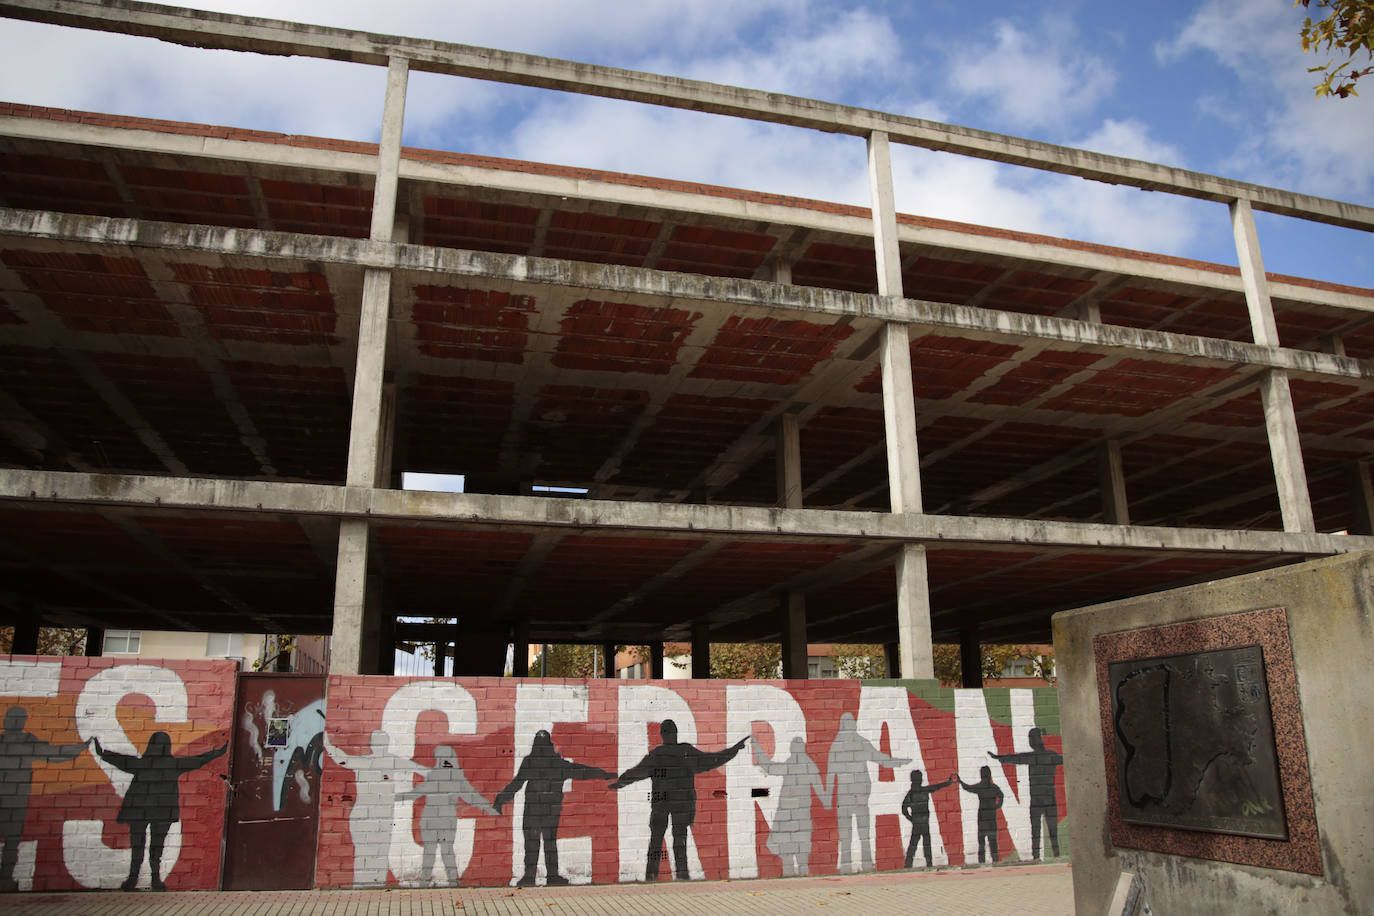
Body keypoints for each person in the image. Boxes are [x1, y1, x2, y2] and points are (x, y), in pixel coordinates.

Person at [610, 720, 748, 880]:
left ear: (662, 735)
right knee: (680, 839)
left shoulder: (657, 755)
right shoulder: (686, 752)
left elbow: (636, 772)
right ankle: (682, 873)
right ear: (675, 734)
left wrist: (619, 783)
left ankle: (651, 874)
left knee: (656, 839)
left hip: (661, 802)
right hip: (682, 803)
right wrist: (733, 750)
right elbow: (712, 760)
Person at [92, 732, 227, 891]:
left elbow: (121, 760)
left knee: (138, 846)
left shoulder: (141, 764)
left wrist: (102, 752)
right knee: (157, 846)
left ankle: (133, 879)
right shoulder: (173, 765)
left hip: (139, 811)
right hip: (163, 812)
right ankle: (155, 879)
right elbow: (197, 760)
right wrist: (218, 752)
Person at [493, 729, 613, 887]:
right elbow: (582, 771)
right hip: (550, 811)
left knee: (531, 844)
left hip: (532, 811)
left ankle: (529, 877)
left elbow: (516, 784)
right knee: (550, 844)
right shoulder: (558, 764)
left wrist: (500, 799)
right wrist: (604, 774)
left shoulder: (530, 762)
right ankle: (552, 876)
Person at [0, 707, 89, 892]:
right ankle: (5, 879)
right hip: (16, 801)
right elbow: (54, 753)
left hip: (15, 801)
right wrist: (79, 748)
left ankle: (6, 878)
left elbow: (54, 753)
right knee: (12, 842)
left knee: (12, 842)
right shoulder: (26, 742)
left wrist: (79, 748)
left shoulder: (24, 742)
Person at [322, 729, 427, 886]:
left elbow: (342, 759)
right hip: (380, 816)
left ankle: (362, 885)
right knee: (380, 854)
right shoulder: (391, 761)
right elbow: (422, 770)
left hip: (364, 816)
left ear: (372, 744)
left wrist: (327, 744)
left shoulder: (365, 762)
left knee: (364, 854)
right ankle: (375, 884)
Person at [398, 745, 497, 886]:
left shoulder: (434, 776)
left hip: (431, 819)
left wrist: (393, 797)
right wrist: (487, 807)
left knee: (430, 851)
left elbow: (415, 793)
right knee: (447, 851)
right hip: (445, 819)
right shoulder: (455, 778)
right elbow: (471, 796)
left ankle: (426, 882)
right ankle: (452, 881)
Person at [825, 712, 910, 873]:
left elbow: (830, 775)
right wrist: (899, 762)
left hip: (851, 797)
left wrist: (828, 797)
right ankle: (862, 864)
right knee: (859, 833)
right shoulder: (857, 743)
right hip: (854, 796)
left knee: (851, 834)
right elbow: (881, 759)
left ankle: (850, 865)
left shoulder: (839, 745)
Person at [752, 736, 829, 876]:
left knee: (787, 850)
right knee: (801, 850)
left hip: (788, 814)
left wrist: (756, 747)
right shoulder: (809, 766)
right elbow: (820, 790)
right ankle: (801, 875)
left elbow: (769, 767)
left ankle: (791, 875)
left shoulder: (792, 765)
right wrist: (827, 802)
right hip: (800, 815)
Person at [988, 728, 1063, 860]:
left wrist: (999, 758)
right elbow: (1066, 758)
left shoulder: (1032, 757)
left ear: (1035, 740)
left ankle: (1036, 857)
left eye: (1031, 739)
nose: (1030, 741)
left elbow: (1015, 758)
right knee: (1052, 830)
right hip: (1049, 799)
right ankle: (1056, 854)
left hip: (1037, 800)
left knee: (1036, 831)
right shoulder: (1051, 755)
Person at [900, 769, 952, 868]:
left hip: (919, 821)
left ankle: (910, 863)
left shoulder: (913, 793)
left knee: (915, 843)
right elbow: (936, 787)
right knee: (923, 843)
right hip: (922, 821)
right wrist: (911, 818)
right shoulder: (919, 792)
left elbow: (904, 808)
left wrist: (910, 818)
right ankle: (926, 863)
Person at [957, 766, 1004, 864]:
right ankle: (995, 860)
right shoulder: (994, 787)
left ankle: (982, 862)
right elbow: (1001, 795)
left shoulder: (980, 786)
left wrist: (960, 781)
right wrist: (997, 805)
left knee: (981, 842)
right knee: (993, 841)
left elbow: (968, 788)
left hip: (982, 817)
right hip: (991, 816)